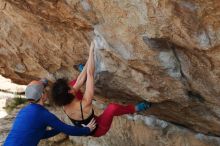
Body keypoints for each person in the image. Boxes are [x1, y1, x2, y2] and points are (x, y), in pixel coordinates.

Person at [51, 42, 151, 137]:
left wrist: (86, 67)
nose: (71, 86)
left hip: (86, 118)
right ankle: (134, 109)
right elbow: (90, 74)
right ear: (70, 91)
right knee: (112, 108)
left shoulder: (63, 101)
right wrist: (91, 51)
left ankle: (84, 69)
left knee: (75, 83)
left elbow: (79, 81)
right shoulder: (85, 103)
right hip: (98, 129)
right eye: (69, 87)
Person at [3, 79, 96, 146]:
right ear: (43, 95)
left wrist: (59, 128)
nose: (47, 90)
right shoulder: (43, 114)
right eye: (45, 89)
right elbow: (67, 130)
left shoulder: (24, 111)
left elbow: (40, 134)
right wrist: (87, 130)